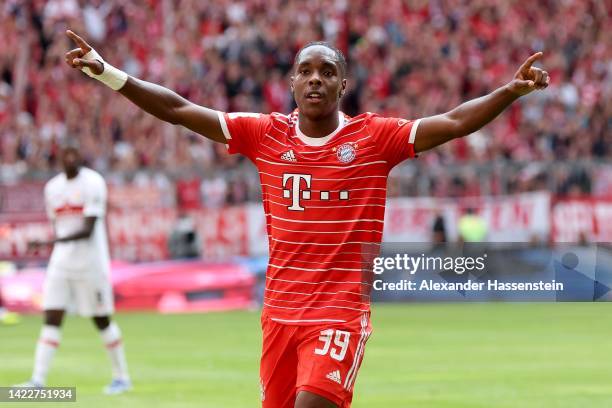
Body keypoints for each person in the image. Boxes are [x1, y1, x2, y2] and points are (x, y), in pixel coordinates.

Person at [64, 30, 549, 407]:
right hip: (278, 315)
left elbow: (455, 122)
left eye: (327, 71)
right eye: (305, 71)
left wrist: (511, 89)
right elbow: (177, 109)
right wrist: (106, 72)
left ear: (344, 84)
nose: (315, 78)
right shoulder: (264, 134)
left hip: (339, 314)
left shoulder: (375, 139)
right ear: (292, 82)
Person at [17, 144, 131, 394]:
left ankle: (122, 377)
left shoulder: (93, 183)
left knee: (101, 320)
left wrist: (48, 243)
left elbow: (87, 229)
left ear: (81, 157)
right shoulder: (53, 188)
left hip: (91, 263)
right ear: (60, 159)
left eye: (75, 154)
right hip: (61, 263)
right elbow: (59, 226)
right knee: (51, 317)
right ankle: (37, 381)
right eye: (66, 155)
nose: (71, 159)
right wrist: (53, 244)